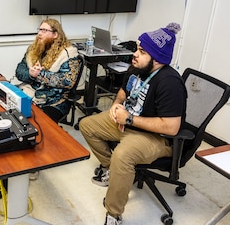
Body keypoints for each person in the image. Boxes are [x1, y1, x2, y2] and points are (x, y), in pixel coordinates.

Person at [78, 23, 187, 224]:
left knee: (123, 155)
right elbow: (124, 91)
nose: (135, 54)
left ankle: (113, 214)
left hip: (155, 137)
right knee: (86, 125)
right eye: (137, 48)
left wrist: (129, 118)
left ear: (157, 58)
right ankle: (112, 169)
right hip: (126, 123)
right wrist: (117, 105)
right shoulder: (136, 68)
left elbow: (171, 127)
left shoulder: (170, 83)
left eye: (142, 51)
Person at [15, 18, 81, 122]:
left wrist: (40, 74)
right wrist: (31, 74)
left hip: (55, 101)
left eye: (44, 31)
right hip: (30, 91)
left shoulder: (69, 53)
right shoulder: (33, 49)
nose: (39, 34)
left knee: (37, 124)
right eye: (39, 30)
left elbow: (67, 81)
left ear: (55, 34)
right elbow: (19, 70)